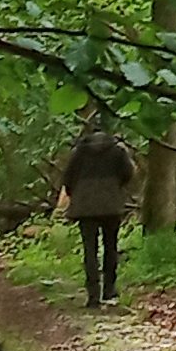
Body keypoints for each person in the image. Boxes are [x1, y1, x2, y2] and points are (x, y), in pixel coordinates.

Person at [55, 122, 138, 308]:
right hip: (111, 204)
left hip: (85, 207)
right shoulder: (117, 151)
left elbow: (68, 179)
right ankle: (109, 289)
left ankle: (93, 295)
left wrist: (76, 193)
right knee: (111, 247)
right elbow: (128, 173)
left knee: (89, 250)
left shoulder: (79, 152)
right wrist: (115, 187)